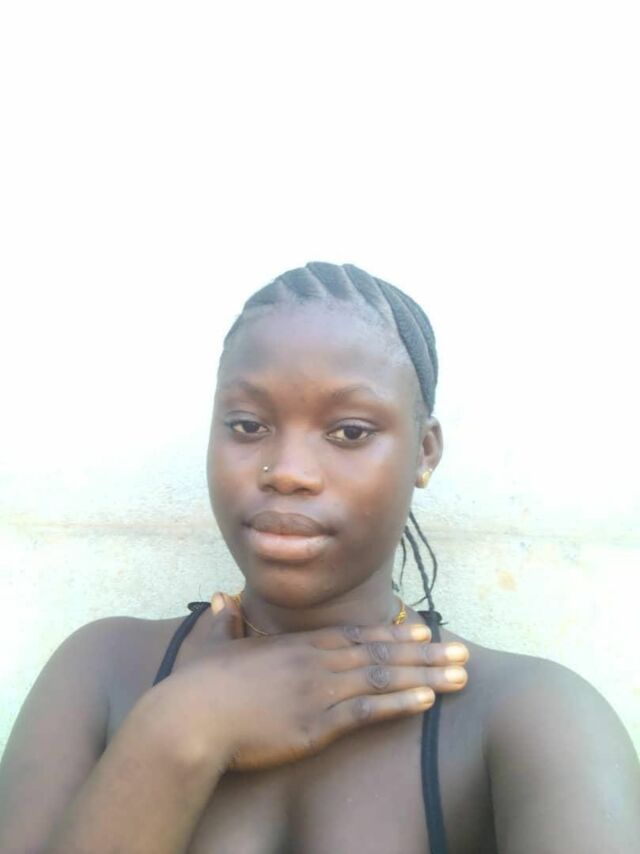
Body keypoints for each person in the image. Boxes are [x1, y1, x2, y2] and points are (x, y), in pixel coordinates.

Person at [0, 262, 638, 854]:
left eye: (349, 432)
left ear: (424, 452)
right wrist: (179, 729)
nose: (288, 472)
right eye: (248, 425)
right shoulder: (101, 671)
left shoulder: (533, 718)